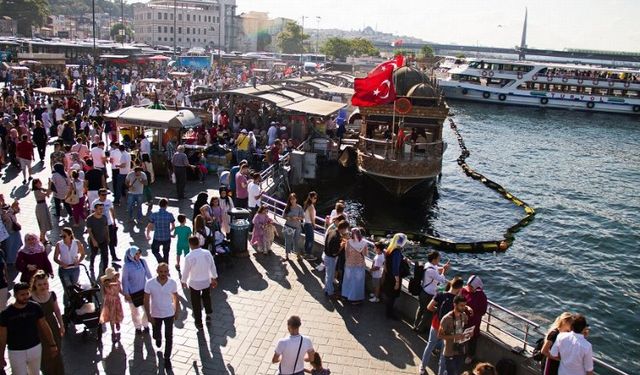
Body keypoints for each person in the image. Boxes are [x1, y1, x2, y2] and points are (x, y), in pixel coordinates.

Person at [0, 282, 58, 375]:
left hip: (35, 347)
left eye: (27, 293)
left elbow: (44, 325)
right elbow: (2, 337)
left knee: (35, 373)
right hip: (16, 351)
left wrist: (52, 344)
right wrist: (1, 355)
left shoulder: (35, 307)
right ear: (15, 295)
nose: (26, 297)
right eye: (22, 295)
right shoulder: (6, 314)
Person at [419, 277, 465, 375]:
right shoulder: (456, 301)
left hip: (436, 324)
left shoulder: (440, 294)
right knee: (444, 353)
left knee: (430, 345)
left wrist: (437, 311)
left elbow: (429, 307)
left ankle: (422, 367)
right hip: (449, 329)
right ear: (460, 288)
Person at [144, 262, 179, 369]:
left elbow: (175, 297)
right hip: (156, 313)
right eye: (161, 271)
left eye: (165, 271)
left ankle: (167, 358)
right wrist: (148, 316)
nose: (163, 274)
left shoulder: (172, 283)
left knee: (169, 336)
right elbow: (146, 299)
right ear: (157, 271)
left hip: (169, 313)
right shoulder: (150, 283)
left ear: (168, 272)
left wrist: (177, 311)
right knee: (156, 333)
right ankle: (157, 338)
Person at [29, 271, 65, 375]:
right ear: (35, 284)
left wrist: (61, 325)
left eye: (45, 283)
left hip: (53, 326)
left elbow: (57, 311)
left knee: (57, 353)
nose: (43, 286)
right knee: (44, 355)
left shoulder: (51, 295)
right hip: (38, 330)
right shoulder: (31, 299)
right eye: (39, 284)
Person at [181, 236, 218, 329]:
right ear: (198, 242)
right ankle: (208, 314)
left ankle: (198, 322)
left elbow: (186, 270)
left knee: (196, 302)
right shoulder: (207, 253)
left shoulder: (189, 256)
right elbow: (212, 266)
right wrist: (214, 277)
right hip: (206, 281)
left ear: (190, 245)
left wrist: (183, 281)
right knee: (207, 298)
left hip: (194, 283)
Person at [414, 250, 450, 334]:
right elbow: (442, 279)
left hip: (423, 291)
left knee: (420, 310)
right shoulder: (431, 271)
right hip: (428, 294)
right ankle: (420, 329)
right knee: (427, 312)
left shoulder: (428, 265)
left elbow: (437, 269)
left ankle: (415, 325)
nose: (439, 260)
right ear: (434, 260)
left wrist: (443, 267)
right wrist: (444, 271)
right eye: (438, 259)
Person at [53, 227, 85, 311]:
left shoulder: (77, 243)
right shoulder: (59, 244)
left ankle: (74, 303)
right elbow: (55, 258)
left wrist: (79, 261)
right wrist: (61, 263)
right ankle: (66, 305)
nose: (63, 238)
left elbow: (82, 254)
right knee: (67, 288)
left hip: (75, 269)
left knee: (74, 287)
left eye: (64, 236)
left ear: (70, 235)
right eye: (61, 236)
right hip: (64, 270)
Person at [121, 246, 151, 334]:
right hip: (132, 293)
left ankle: (145, 324)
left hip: (144, 291)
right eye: (136, 254)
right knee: (135, 312)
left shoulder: (143, 261)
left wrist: (154, 285)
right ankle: (137, 327)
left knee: (147, 310)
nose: (138, 255)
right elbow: (124, 280)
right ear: (131, 255)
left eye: (139, 253)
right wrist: (126, 293)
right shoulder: (126, 266)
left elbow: (149, 274)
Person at [438, 295, 470, 375]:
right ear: (455, 305)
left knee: (457, 372)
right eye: (461, 305)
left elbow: (463, 329)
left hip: (460, 350)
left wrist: (468, 333)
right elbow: (439, 336)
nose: (463, 308)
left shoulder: (464, 316)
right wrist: (454, 336)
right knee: (451, 372)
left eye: (464, 305)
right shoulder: (446, 319)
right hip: (450, 351)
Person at [461, 275, 487, 364]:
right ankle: (461, 351)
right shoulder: (463, 290)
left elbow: (483, 311)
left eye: (471, 286)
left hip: (473, 322)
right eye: (468, 285)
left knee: (472, 340)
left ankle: (470, 355)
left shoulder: (481, 296)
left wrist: (474, 313)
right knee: (460, 336)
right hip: (462, 319)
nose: (469, 288)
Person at [383, 233, 409, 320]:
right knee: (392, 296)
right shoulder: (397, 252)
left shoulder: (390, 249)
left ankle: (387, 311)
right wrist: (397, 282)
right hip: (394, 278)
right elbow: (395, 269)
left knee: (389, 295)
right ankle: (389, 314)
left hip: (388, 276)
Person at [91, 188, 119, 262]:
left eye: (106, 194)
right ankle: (103, 257)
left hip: (109, 224)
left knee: (111, 241)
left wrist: (114, 221)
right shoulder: (95, 203)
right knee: (102, 242)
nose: (105, 196)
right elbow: (92, 213)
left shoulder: (108, 202)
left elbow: (112, 211)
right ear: (99, 195)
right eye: (103, 195)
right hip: (99, 226)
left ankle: (114, 257)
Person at [342, 228, 368, 304]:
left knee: (348, 280)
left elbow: (346, 253)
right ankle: (355, 298)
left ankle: (346, 295)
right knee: (357, 282)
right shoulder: (364, 243)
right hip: (359, 265)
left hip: (349, 264)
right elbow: (365, 254)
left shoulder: (348, 242)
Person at [323, 220, 349, 297]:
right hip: (331, 258)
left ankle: (327, 289)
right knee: (330, 276)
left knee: (328, 274)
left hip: (326, 255)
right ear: (343, 228)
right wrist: (342, 246)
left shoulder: (332, 231)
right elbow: (335, 253)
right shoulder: (336, 237)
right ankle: (330, 292)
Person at [146, 198, 176, 264]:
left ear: (159, 205)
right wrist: (169, 231)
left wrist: (147, 235)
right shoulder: (170, 215)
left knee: (154, 250)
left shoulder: (154, 215)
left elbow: (149, 226)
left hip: (157, 237)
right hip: (166, 237)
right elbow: (173, 226)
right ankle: (166, 265)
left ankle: (160, 261)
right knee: (166, 253)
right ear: (166, 205)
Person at [100, 267, 124, 344]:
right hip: (110, 302)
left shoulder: (117, 281)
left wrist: (125, 295)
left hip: (117, 300)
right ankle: (113, 332)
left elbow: (120, 290)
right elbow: (105, 290)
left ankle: (117, 323)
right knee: (111, 317)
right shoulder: (106, 284)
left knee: (118, 313)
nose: (115, 277)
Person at [86, 202, 110, 274]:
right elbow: (89, 231)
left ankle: (105, 269)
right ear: (95, 209)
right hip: (94, 240)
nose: (101, 210)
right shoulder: (90, 218)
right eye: (100, 209)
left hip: (103, 240)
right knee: (93, 254)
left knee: (105, 255)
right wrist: (93, 241)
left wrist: (108, 237)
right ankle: (91, 265)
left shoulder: (104, 217)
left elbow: (106, 228)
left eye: (102, 209)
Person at [283, 193, 304, 261]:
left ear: (296, 199)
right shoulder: (287, 207)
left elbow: (302, 217)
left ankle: (298, 254)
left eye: (293, 199)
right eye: (291, 199)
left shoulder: (299, 207)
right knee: (288, 240)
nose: (292, 200)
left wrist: (297, 218)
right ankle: (286, 255)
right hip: (289, 226)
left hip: (297, 227)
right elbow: (283, 216)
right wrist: (290, 218)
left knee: (296, 240)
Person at [31, 179, 53, 244]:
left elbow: (48, 191)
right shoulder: (37, 191)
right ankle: (43, 240)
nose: (40, 183)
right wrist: (49, 186)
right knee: (43, 223)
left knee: (44, 223)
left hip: (43, 206)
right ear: (35, 184)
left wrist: (50, 187)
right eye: (39, 183)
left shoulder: (40, 189)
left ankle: (42, 237)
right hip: (41, 208)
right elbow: (47, 194)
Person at [302, 192, 318, 261]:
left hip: (305, 223)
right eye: (314, 198)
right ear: (311, 198)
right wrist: (314, 224)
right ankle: (309, 254)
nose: (315, 199)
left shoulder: (306, 204)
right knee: (310, 240)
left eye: (316, 198)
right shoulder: (311, 206)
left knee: (307, 239)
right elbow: (312, 218)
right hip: (309, 224)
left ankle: (306, 253)